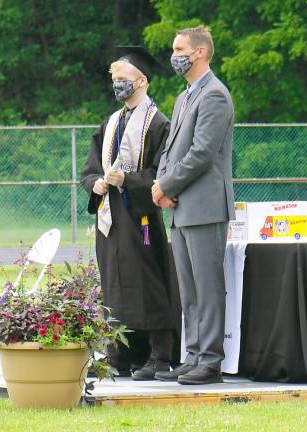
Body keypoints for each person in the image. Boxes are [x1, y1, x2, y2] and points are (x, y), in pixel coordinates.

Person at [81, 46, 176, 381]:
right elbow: (90, 169)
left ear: (142, 81)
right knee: (114, 284)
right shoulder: (111, 123)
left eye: (123, 79)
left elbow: (164, 174)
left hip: (143, 218)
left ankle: (159, 355)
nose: (118, 85)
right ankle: (117, 355)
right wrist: (95, 184)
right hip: (110, 219)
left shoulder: (158, 123)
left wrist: (129, 181)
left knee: (146, 281)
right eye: (115, 79)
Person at [152, 26, 235, 385]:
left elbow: (202, 153)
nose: (175, 55)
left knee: (208, 285)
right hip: (181, 205)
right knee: (189, 287)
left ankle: (211, 360)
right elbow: (171, 148)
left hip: (205, 205)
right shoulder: (185, 96)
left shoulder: (215, 95)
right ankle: (193, 353)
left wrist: (168, 185)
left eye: (180, 48)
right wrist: (160, 185)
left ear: (200, 52)